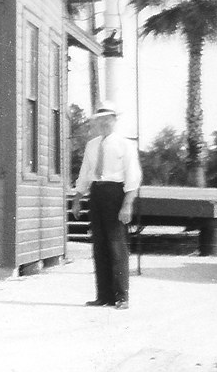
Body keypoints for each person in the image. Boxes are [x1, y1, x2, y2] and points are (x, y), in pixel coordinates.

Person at [71, 101, 141, 310]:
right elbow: (85, 173)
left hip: (116, 193)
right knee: (99, 244)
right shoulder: (92, 145)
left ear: (114, 120)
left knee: (116, 244)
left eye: (107, 119)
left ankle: (121, 296)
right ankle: (103, 296)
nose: (103, 123)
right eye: (100, 120)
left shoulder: (125, 145)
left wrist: (127, 204)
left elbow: (132, 176)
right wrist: (77, 198)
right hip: (97, 192)